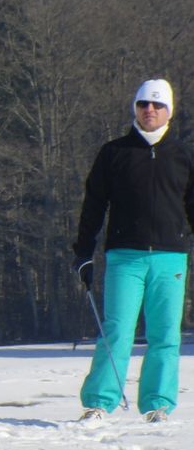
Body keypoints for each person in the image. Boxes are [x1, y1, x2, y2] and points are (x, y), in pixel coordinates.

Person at [72, 78, 193, 424]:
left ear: (169, 110)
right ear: (135, 109)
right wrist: (83, 252)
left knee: (166, 335)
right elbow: (93, 205)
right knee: (117, 331)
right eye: (143, 104)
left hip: (170, 257)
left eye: (157, 105)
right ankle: (99, 402)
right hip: (125, 257)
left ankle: (158, 404)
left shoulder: (183, 155)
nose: (149, 111)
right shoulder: (114, 153)